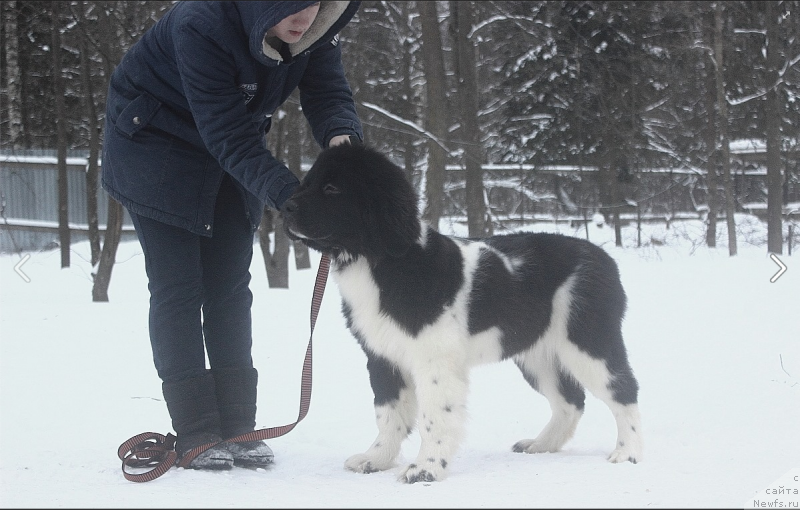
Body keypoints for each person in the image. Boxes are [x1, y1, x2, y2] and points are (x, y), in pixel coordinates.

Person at [101, 1, 363, 470]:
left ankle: (240, 426)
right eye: (295, 5)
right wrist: (297, 203)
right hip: (154, 143)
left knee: (228, 286)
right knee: (179, 287)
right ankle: (197, 430)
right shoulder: (200, 24)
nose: (307, 16)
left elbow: (327, 94)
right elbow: (230, 135)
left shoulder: (315, 29)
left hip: (227, 144)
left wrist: (344, 143)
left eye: (318, 3)